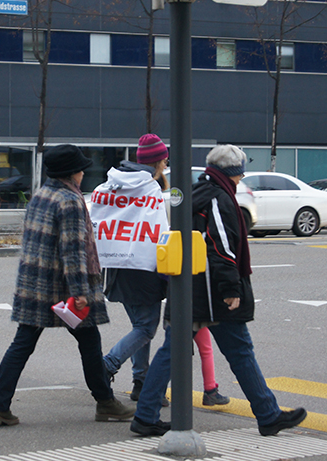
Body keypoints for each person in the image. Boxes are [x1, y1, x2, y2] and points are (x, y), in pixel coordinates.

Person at [130, 144, 307, 437]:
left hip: (189, 288)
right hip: (210, 294)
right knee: (239, 351)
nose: (241, 180)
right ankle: (268, 414)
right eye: (240, 174)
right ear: (233, 172)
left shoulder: (197, 193)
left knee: (173, 351)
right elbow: (223, 248)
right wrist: (230, 289)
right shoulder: (218, 198)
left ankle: (146, 415)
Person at [0, 144, 135, 427]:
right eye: (80, 169)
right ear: (72, 173)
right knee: (90, 343)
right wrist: (79, 291)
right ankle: (105, 403)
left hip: (35, 283)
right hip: (63, 287)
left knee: (22, 343)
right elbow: (73, 250)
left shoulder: (41, 195)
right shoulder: (69, 200)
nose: (83, 173)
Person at [94, 135, 228, 408]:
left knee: (139, 325)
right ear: (157, 161)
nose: (167, 163)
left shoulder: (115, 184)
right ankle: (107, 365)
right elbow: (161, 233)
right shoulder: (150, 189)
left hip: (118, 267)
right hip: (144, 269)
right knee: (145, 329)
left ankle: (140, 383)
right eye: (164, 159)